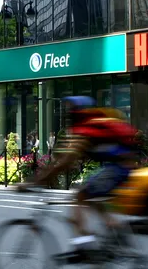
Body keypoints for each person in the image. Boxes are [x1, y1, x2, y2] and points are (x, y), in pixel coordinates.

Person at [18, 96, 139, 260]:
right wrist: (47, 173)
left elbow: (66, 161)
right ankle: (115, 232)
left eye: (71, 108)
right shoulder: (89, 126)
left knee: (80, 195)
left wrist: (36, 180)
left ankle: (84, 246)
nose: (68, 112)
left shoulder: (86, 129)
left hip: (118, 168)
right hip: (119, 167)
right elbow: (63, 157)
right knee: (91, 197)